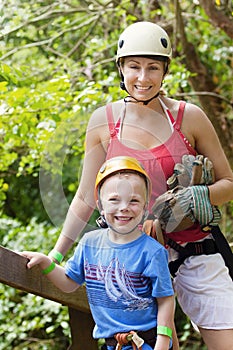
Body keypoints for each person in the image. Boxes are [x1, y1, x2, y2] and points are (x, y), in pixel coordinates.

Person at [47, 21, 233, 349]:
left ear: (164, 72)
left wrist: (195, 196)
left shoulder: (189, 117)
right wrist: (56, 254)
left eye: (153, 68)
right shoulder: (103, 122)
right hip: (132, 259)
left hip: (194, 249)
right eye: (134, 67)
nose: (143, 78)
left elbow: (229, 183)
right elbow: (83, 197)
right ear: (121, 69)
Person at [22, 156, 176, 350]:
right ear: (101, 206)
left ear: (145, 207)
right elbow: (69, 283)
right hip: (112, 345)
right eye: (114, 200)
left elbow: (165, 299)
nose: (124, 207)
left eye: (134, 201)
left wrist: (163, 340)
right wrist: (46, 262)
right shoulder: (89, 244)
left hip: (147, 343)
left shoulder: (152, 252)